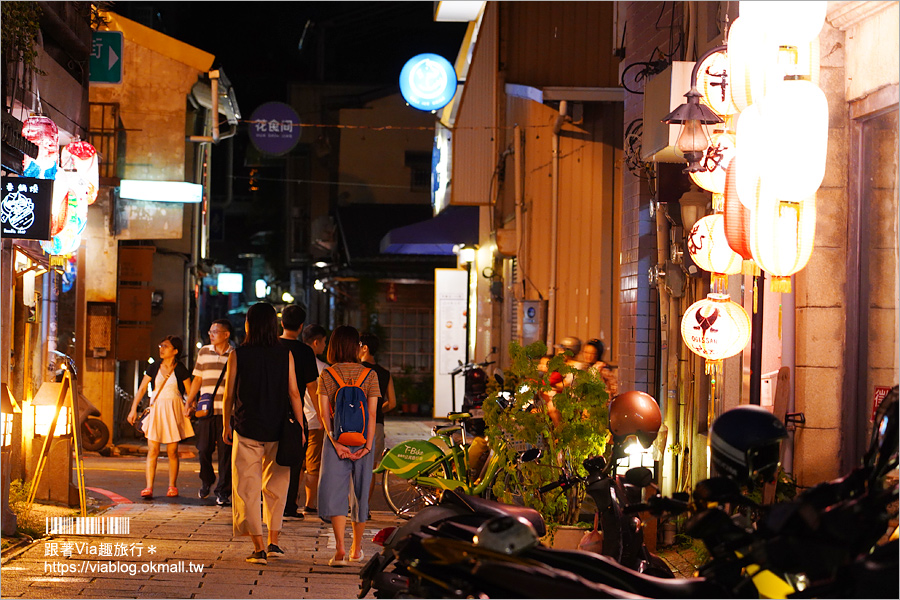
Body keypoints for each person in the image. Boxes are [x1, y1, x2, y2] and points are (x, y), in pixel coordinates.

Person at [222, 302, 306, 565]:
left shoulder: (239, 354)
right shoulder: (285, 355)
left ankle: (258, 547)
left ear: (248, 324)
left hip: (247, 428)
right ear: (273, 325)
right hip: (279, 429)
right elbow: (294, 393)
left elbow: (228, 394)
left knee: (246, 488)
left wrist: (226, 424)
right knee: (277, 488)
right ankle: (274, 543)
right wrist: (301, 428)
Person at [317, 325, 380, 567]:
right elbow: (372, 415)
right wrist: (366, 446)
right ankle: (356, 549)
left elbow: (324, 414)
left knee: (336, 493)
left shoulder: (327, 374)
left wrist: (334, 442)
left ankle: (340, 550)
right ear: (356, 347)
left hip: (337, 440)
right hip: (364, 439)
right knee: (360, 493)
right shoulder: (370, 375)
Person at [126, 336, 194, 499]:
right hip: (157, 409)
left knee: (172, 451)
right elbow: (142, 388)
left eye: (166, 346)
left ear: (175, 351)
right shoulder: (154, 366)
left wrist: (189, 406)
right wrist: (133, 409)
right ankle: (148, 487)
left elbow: (190, 391)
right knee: (153, 450)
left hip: (173, 410)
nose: (161, 348)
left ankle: (172, 486)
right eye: (161, 345)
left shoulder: (180, 369)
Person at [183, 319, 234, 506]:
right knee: (203, 449)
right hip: (207, 410)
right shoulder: (204, 352)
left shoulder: (234, 354)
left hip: (227, 412)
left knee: (225, 453)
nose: (211, 334)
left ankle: (223, 491)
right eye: (210, 331)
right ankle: (207, 479)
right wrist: (189, 401)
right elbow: (197, 379)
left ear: (226, 335)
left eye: (215, 331)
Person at [278, 305, 320, 520]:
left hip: (268, 411)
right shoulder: (305, 352)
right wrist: (322, 415)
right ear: (301, 325)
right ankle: (289, 505)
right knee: (295, 462)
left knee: (269, 460)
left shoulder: (271, 345)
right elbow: (313, 388)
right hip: (295, 414)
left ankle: (268, 502)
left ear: (282, 322)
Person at [358, 332, 396, 504]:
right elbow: (392, 402)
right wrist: (378, 410)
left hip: (357, 423)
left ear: (364, 348)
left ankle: (354, 505)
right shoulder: (385, 373)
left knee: (354, 465)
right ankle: (364, 506)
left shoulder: (358, 370)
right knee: (371, 468)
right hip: (377, 425)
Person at [300, 324, 329, 515]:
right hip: (314, 422)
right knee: (312, 465)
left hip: (295, 420)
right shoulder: (323, 369)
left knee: (294, 464)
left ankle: (291, 501)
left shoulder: (291, 360)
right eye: (324, 342)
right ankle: (310, 503)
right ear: (316, 342)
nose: (325, 346)